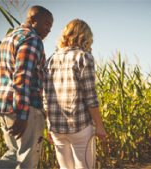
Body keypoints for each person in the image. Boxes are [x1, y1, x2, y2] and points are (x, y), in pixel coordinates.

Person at [0, 5, 53, 169]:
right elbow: (23, 76)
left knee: (14, 154)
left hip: (2, 106)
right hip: (22, 108)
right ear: (33, 20)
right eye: (46, 23)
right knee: (27, 157)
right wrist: (22, 112)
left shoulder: (9, 38)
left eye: (51, 26)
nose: (48, 29)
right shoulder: (32, 39)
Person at [43, 19, 107, 169]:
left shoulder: (50, 60)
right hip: (80, 126)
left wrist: (48, 126)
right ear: (85, 37)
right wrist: (99, 126)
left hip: (56, 127)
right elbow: (90, 97)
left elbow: (45, 97)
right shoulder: (83, 57)